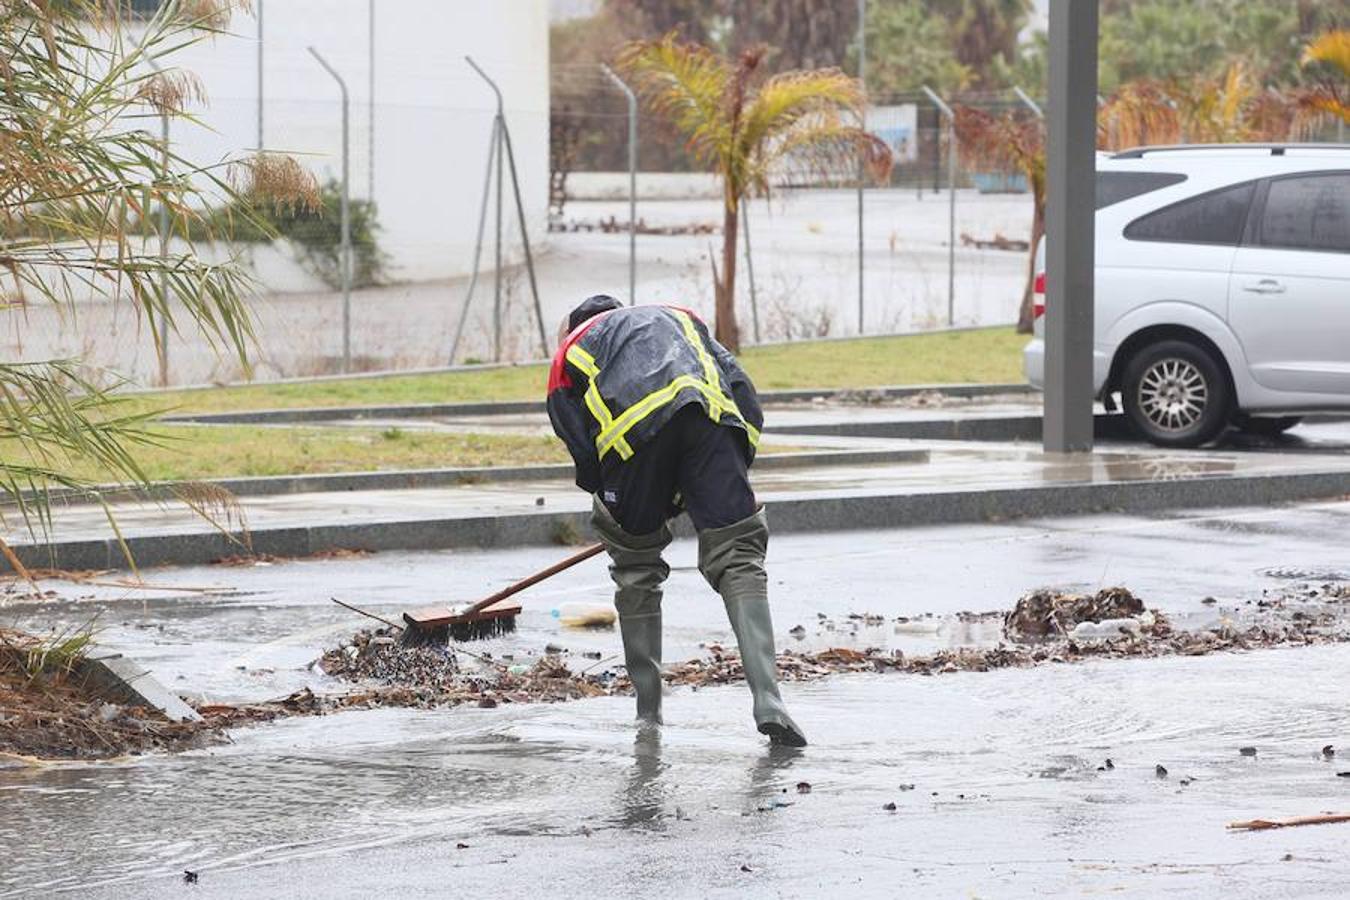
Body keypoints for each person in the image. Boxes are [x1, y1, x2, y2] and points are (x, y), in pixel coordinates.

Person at [546, 294, 806, 747]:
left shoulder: (572, 347)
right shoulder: (682, 319)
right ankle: (770, 700)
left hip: (633, 441)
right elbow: (745, 396)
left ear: (575, 325)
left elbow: (580, 446)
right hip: (712, 423)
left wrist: (622, 512)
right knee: (740, 556)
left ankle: (649, 714)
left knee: (636, 568)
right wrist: (727, 468)